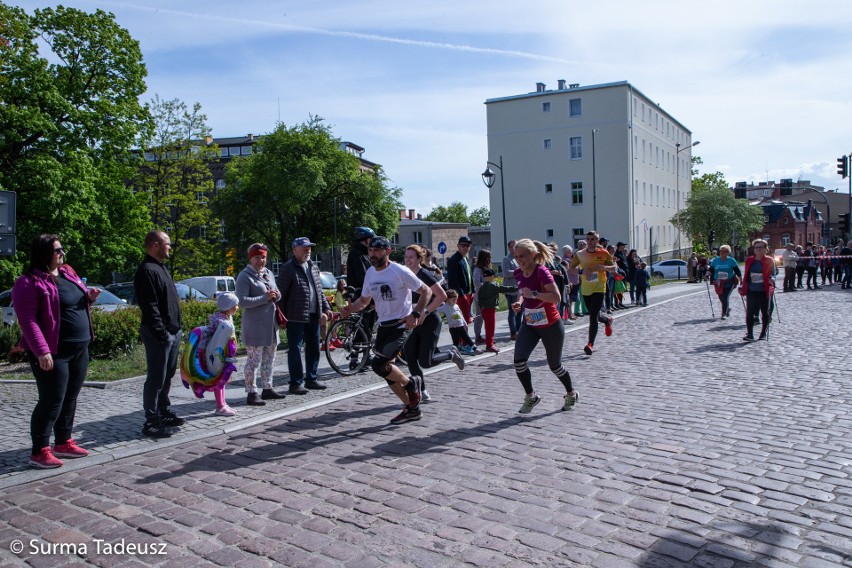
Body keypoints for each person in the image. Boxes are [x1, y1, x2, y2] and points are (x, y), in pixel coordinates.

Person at [14, 235, 98, 468]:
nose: (63, 253)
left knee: (70, 396)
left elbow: (70, 304)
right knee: (52, 400)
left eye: (62, 248)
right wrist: (42, 351)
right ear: (44, 253)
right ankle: (39, 451)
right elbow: (28, 320)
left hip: (79, 347)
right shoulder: (29, 282)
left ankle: (63, 441)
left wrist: (88, 298)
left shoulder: (68, 273)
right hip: (53, 351)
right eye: (57, 250)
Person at [341, 236, 430, 424]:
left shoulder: (399, 271)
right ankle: (412, 408)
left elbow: (426, 291)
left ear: (387, 252)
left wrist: (415, 314)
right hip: (383, 326)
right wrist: (349, 309)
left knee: (379, 364)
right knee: (384, 370)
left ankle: (412, 383)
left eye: (377, 251)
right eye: (370, 251)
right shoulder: (371, 273)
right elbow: (364, 301)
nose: (372, 254)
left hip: (401, 325)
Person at [510, 239, 578, 414]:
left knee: (555, 366)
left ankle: (571, 393)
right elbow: (522, 292)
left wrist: (533, 294)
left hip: (551, 325)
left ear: (533, 255)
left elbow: (556, 298)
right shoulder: (518, 273)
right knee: (519, 362)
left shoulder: (542, 272)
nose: (519, 260)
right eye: (516, 256)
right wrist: (520, 302)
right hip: (530, 324)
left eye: (522, 256)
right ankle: (531, 396)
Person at [134, 230, 183, 439]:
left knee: (168, 375)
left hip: (172, 332)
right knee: (156, 377)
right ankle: (151, 420)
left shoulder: (161, 268)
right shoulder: (146, 270)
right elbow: (150, 306)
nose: (170, 247)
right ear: (155, 245)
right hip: (159, 335)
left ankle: (163, 411)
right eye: (167, 243)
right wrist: (161, 332)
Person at [402, 245, 465, 401]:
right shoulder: (405, 274)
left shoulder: (424, 275)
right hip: (413, 321)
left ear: (419, 259)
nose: (407, 260)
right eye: (406, 257)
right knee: (409, 355)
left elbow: (441, 296)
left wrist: (425, 311)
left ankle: (450, 354)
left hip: (429, 321)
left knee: (426, 361)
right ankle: (421, 391)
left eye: (411, 257)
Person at [277, 237, 333, 394]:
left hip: (314, 315)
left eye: (309, 247)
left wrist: (326, 307)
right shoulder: (288, 268)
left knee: (314, 348)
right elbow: (280, 295)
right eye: (304, 248)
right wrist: (281, 317)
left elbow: (319, 291)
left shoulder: (312, 266)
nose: (308, 250)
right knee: (295, 349)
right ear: (295, 250)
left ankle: (311, 379)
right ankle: (295, 383)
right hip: (295, 317)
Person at [235, 242, 285, 406]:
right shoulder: (244, 276)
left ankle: (268, 388)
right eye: (257, 257)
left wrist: (276, 295)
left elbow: (277, 294)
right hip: (255, 326)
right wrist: (265, 298)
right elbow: (242, 301)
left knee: (269, 359)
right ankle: (251, 392)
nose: (261, 261)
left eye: (263, 257)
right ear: (251, 258)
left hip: (271, 325)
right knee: (253, 361)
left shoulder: (269, 273)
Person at [182, 292, 239, 416]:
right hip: (217, 356)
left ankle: (223, 404)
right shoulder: (221, 322)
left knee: (221, 381)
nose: (237, 307)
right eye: (235, 305)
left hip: (222, 355)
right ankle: (220, 406)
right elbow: (219, 341)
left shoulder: (225, 318)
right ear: (228, 307)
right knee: (218, 379)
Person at [570, 231, 616, 355]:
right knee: (595, 315)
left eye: (593, 239)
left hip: (599, 287)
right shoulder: (580, 254)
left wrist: (603, 268)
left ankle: (590, 344)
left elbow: (613, 268)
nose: (590, 241)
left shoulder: (604, 253)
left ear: (597, 240)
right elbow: (571, 269)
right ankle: (607, 320)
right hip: (586, 288)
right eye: (588, 239)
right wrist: (581, 272)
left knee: (592, 316)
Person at [739, 239, 775, 341]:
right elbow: (746, 274)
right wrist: (742, 286)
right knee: (749, 312)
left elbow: (774, 272)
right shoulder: (750, 260)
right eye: (756, 247)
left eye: (760, 247)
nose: (758, 249)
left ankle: (763, 332)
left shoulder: (769, 260)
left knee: (765, 312)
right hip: (752, 290)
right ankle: (750, 334)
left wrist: (772, 278)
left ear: (765, 249)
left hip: (764, 290)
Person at [477, 268, 517, 353]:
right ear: (492, 276)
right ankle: (489, 345)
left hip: (484, 309)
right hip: (490, 309)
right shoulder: (492, 285)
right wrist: (516, 288)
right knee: (490, 328)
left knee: (487, 328)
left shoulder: (482, 287)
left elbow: (479, 300)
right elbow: (504, 288)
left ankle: (489, 341)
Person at [446, 236, 475, 330]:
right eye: (463, 245)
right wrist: (461, 295)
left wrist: (473, 291)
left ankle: (464, 341)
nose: (466, 247)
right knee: (461, 320)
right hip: (460, 295)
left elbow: (469, 276)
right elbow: (453, 280)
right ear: (458, 246)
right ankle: (463, 342)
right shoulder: (454, 260)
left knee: (466, 319)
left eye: (468, 245)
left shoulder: (465, 258)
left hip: (468, 293)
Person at [436, 290, 479, 355]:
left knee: (467, 338)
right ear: (447, 299)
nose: (455, 301)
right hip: (453, 327)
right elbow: (437, 311)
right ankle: (455, 352)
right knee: (455, 341)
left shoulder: (456, 306)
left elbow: (460, 314)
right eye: (453, 300)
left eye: (456, 300)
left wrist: (464, 323)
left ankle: (475, 349)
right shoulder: (444, 307)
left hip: (460, 325)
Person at [709, 245, 741, 320]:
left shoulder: (731, 260)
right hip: (718, 282)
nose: (722, 253)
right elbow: (711, 269)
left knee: (725, 296)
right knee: (721, 296)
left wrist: (741, 279)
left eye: (724, 251)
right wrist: (707, 274)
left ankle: (723, 313)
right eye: (721, 251)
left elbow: (737, 270)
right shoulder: (715, 260)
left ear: (728, 253)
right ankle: (727, 308)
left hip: (729, 281)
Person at [501, 240, 522, 339]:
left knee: (520, 311)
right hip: (510, 289)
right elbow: (506, 273)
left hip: (519, 289)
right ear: (509, 248)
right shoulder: (507, 259)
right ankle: (513, 333)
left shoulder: (518, 258)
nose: (516, 248)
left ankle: (519, 330)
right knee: (512, 311)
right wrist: (519, 271)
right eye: (514, 246)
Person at [471, 249, 492, 344]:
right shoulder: (478, 269)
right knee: (479, 316)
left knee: (488, 317)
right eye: (488, 257)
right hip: (480, 296)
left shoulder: (486, 268)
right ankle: (478, 336)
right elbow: (476, 282)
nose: (490, 259)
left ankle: (488, 336)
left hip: (488, 296)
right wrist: (486, 285)